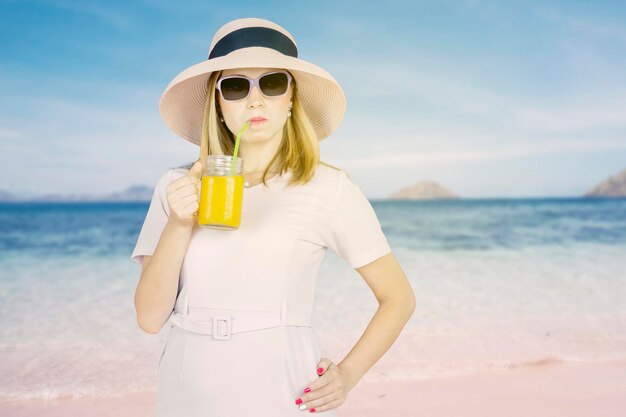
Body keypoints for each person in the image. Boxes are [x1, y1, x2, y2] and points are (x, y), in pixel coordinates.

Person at [130, 17, 415, 416]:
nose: (255, 100)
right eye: (235, 86)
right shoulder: (175, 186)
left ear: (292, 98)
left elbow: (398, 298)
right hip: (186, 387)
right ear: (217, 100)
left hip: (280, 385)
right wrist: (179, 223)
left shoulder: (328, 187)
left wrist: (348, 375)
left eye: (272, 83)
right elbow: (148, 318)